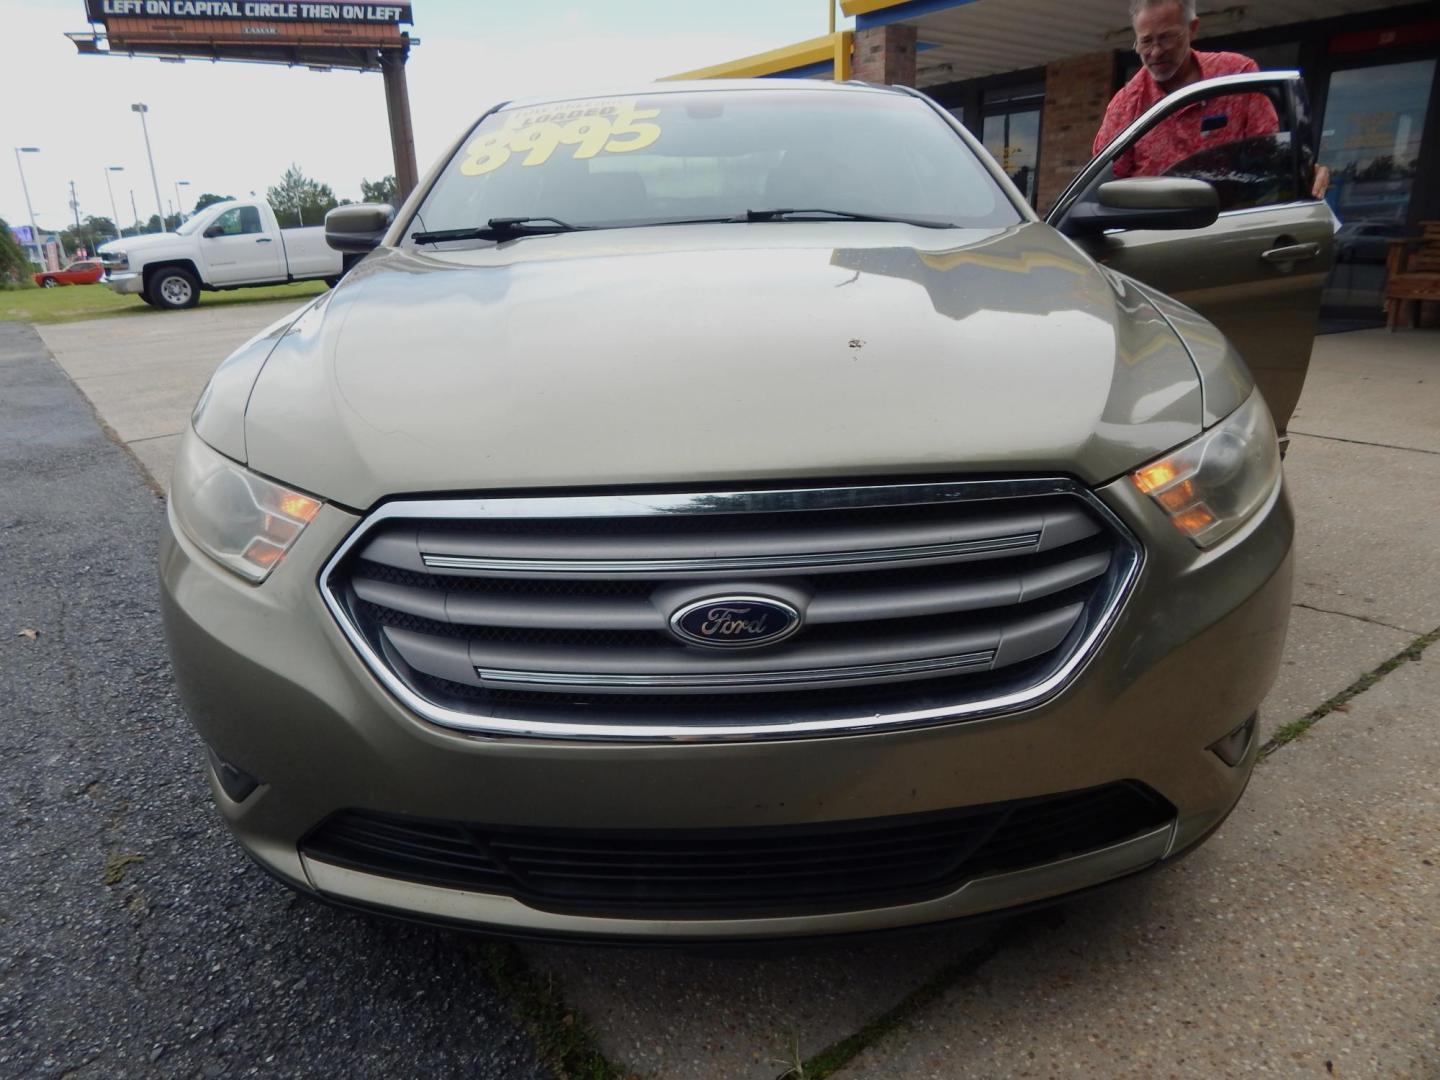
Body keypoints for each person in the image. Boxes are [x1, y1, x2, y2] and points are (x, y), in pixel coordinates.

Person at [1094, 0, 1328, 197]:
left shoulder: (1237, 76)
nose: (1155, 52)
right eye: (1146, 41)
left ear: (1193, 28)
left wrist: (1304, 173)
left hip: (1229, 230)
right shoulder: (1126, 104)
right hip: (1153, 240)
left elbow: (1269, 158)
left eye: (1167, 38)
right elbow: (1101, 187)